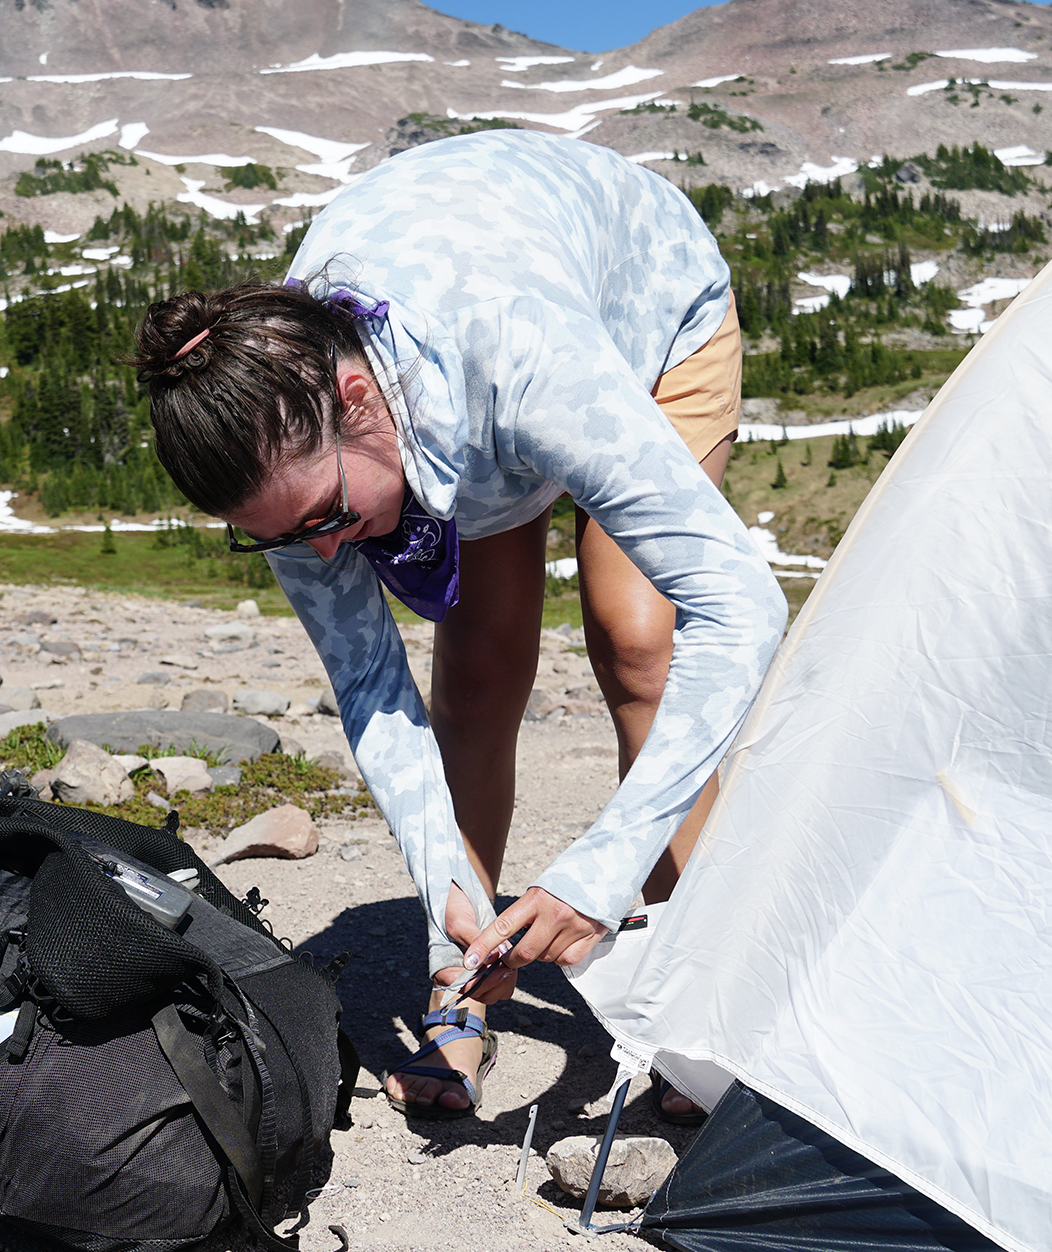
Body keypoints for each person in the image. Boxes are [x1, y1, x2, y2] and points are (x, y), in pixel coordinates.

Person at [132, 130, 787, 1121]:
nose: (319, 555)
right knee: (477, 671)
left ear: (355, 399)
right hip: (454, 393)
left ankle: (692, 1000)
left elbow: (741, 602)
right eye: (272, 539)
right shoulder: (284, 456)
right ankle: (464, 975)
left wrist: (596, 868)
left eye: (323, 521)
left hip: (646, 314)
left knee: (636, 639)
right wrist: (440, 876)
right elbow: (368, 684)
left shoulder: (517, 355)